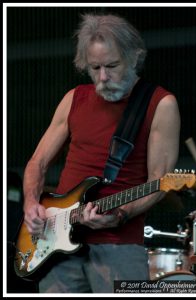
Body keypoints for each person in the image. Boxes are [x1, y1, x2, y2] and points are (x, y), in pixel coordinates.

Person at [23, 13, 181, 293]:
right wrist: (31, 204)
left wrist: (120, 213)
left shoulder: (160, 103)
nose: (103, 77)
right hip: (54, 245)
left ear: (134, 57)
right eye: (94, 68)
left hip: (119, 247)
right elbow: (38, 162)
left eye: (112, 65)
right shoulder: (75, 97)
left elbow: (160, 182)